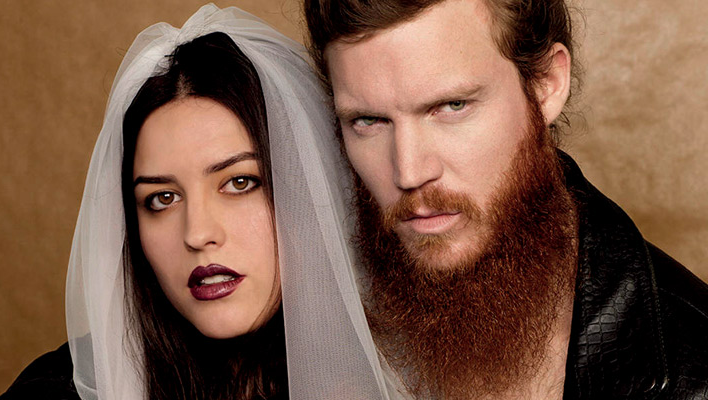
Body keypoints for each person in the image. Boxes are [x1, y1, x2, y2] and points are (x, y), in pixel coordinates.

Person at [303, 0, 708, 399]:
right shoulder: (305, 323)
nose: (409, 173)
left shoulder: (693, 370)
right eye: (368, 121)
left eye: (453, 106)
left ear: (546, 84)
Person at [0, 4, 397, 399]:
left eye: (239, 182)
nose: (197, 233)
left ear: (310, 187)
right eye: (162, 199)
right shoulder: (63, 391)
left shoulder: (405, 375)